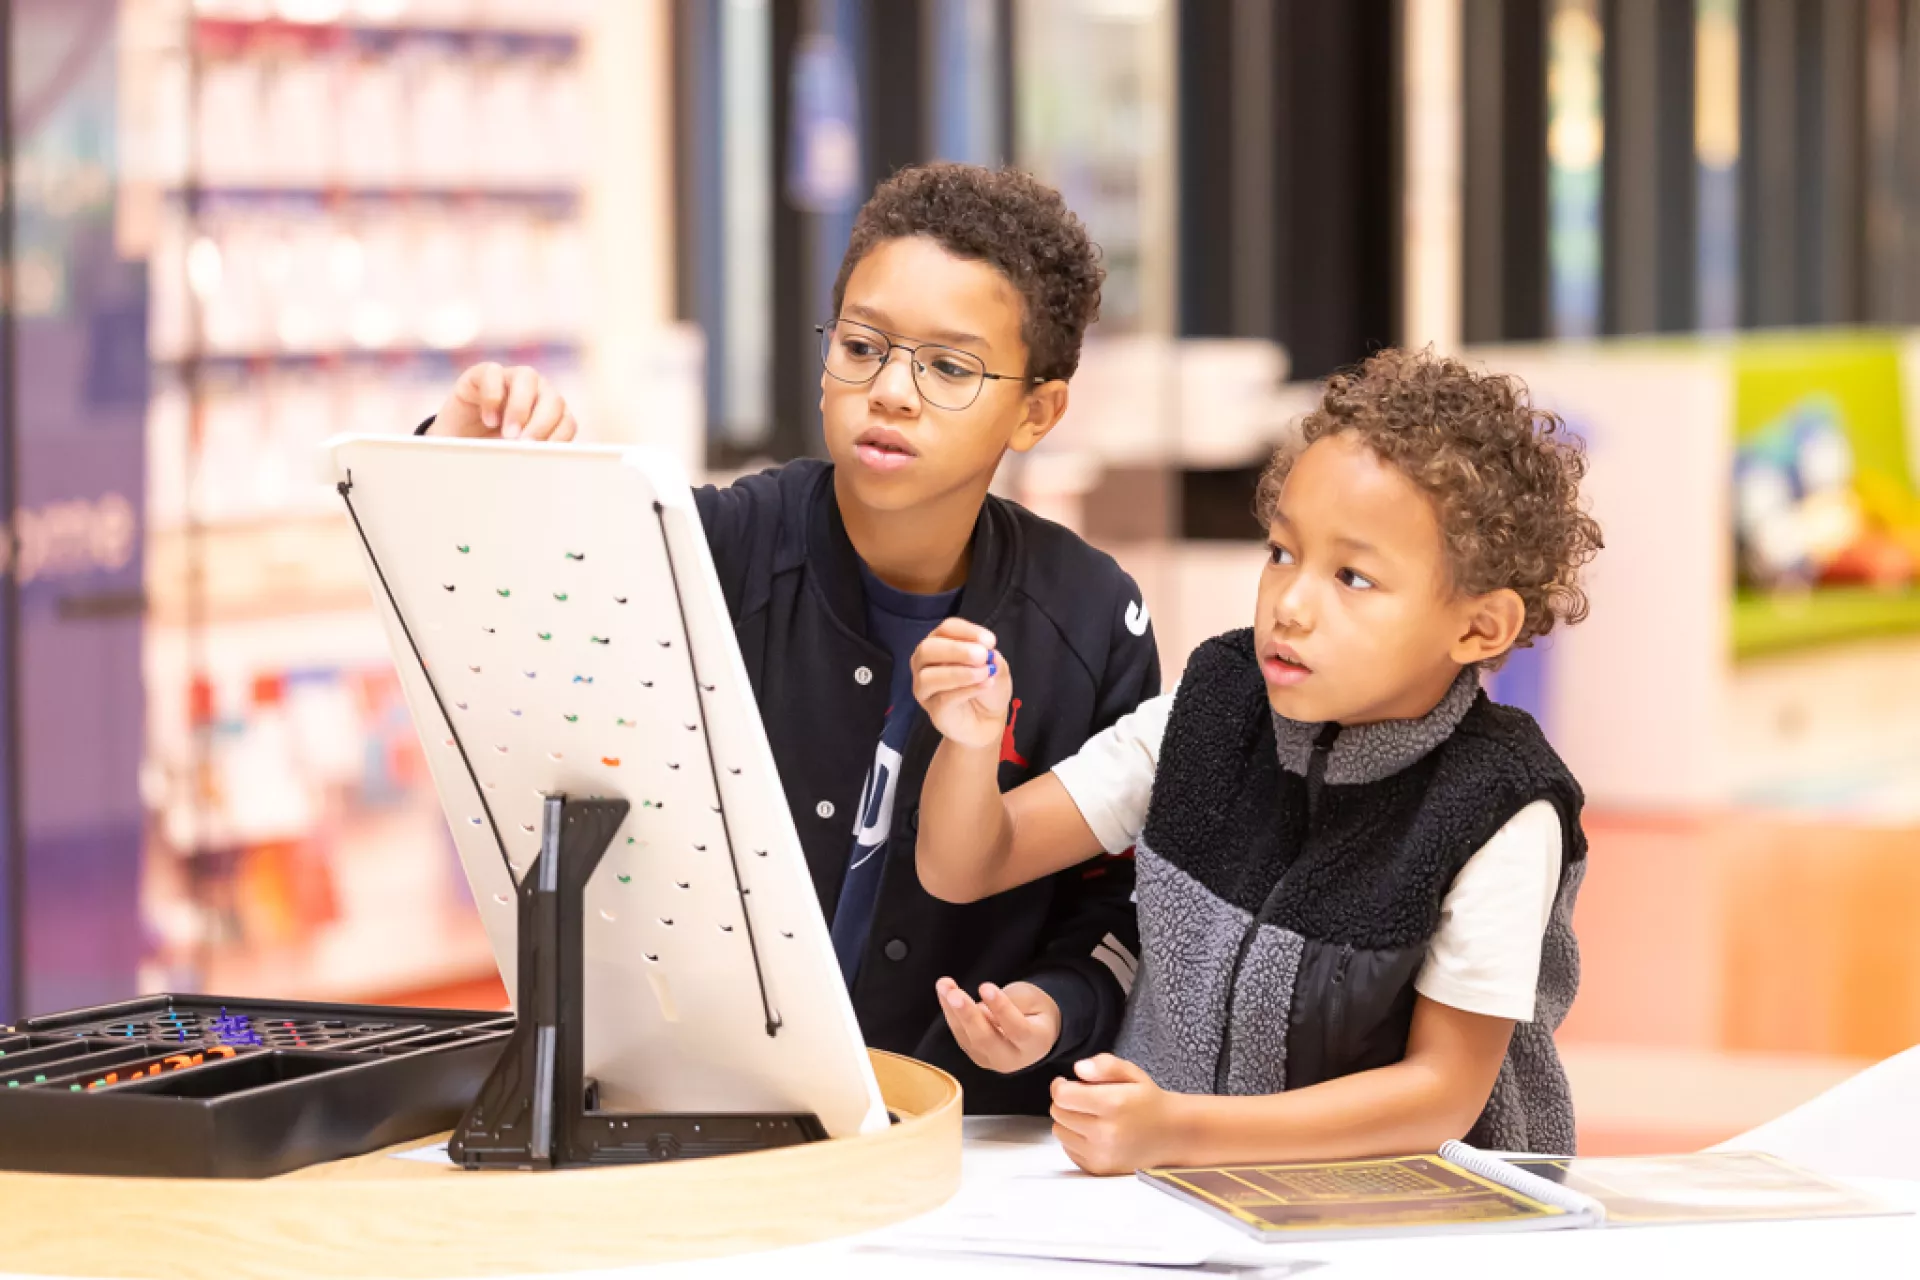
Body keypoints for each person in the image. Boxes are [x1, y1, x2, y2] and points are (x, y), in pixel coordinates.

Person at [420, 163, 1157, 1113]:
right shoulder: (713, 547)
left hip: (959, 1131)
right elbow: (499, 630)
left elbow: (1119, 905)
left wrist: (1055, 1009)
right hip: (703, 1108)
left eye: (949, 366)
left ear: (1038, 409)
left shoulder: (1091, 616)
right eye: (863, 344)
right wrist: (462, 463)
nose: (891, 391)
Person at [911, 348, 1604, 1169]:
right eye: (1281, 553)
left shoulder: (1502, 805)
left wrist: (1179, 1130)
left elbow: (1441, 1096)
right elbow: (969, 861)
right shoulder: (1210, 708)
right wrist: (969, 741)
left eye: (1352, 576)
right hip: (1178, 1197)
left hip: (1411, 1219)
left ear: (1480, 628)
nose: (1292, 604)